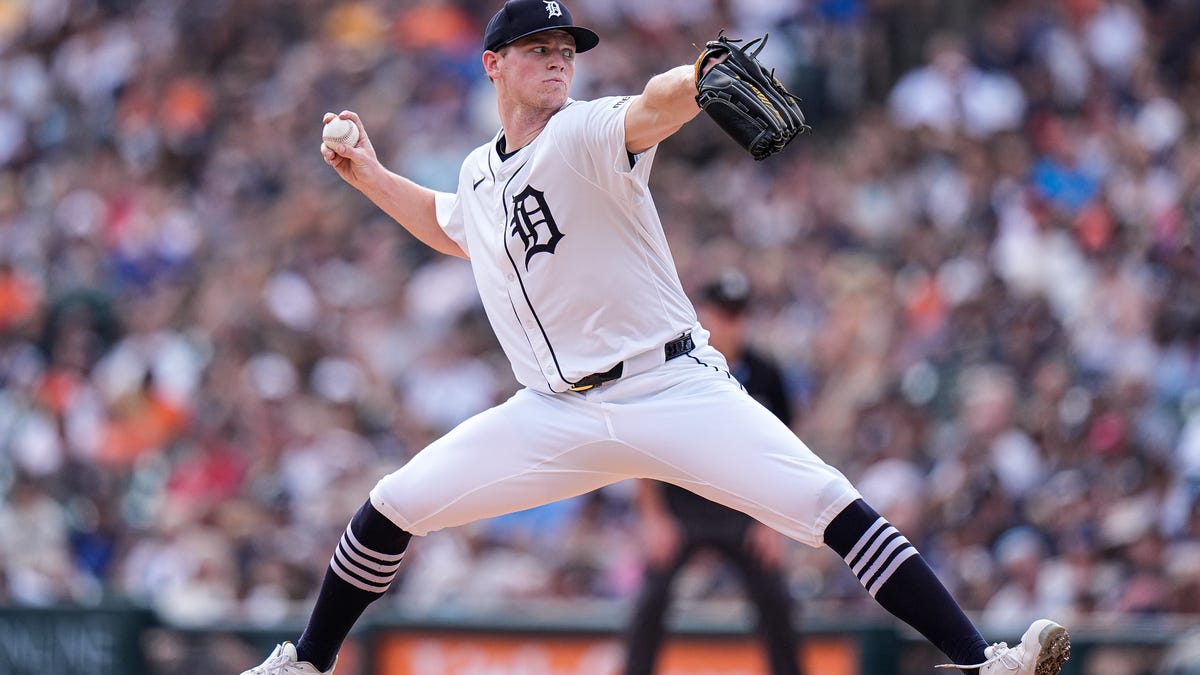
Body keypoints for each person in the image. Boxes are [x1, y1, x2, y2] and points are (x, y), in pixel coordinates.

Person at [241, 1, 1070, 674]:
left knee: (825, 503)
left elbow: (652, 106)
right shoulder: (477, 172)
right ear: (492, 64)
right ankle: (308, 664)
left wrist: (701, 75)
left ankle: (980, 661)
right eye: (536, 47)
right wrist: (373, 176)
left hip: (671, 388)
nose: (558, 58)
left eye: (565, 46)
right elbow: (450, 224)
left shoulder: (585, 132)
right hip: (552, 413)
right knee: (395, 503)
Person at [623, 269, 802, 675]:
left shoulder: (766, 375)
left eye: (737, 314)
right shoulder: (672, 369)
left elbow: (786, 452)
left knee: (776, 599)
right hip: (681, 506)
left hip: (745, 507)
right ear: (701, 314)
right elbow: (641, 447)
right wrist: (653, 517)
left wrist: (775, 521)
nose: (731, 323)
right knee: (650, 601)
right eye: (722, 313)